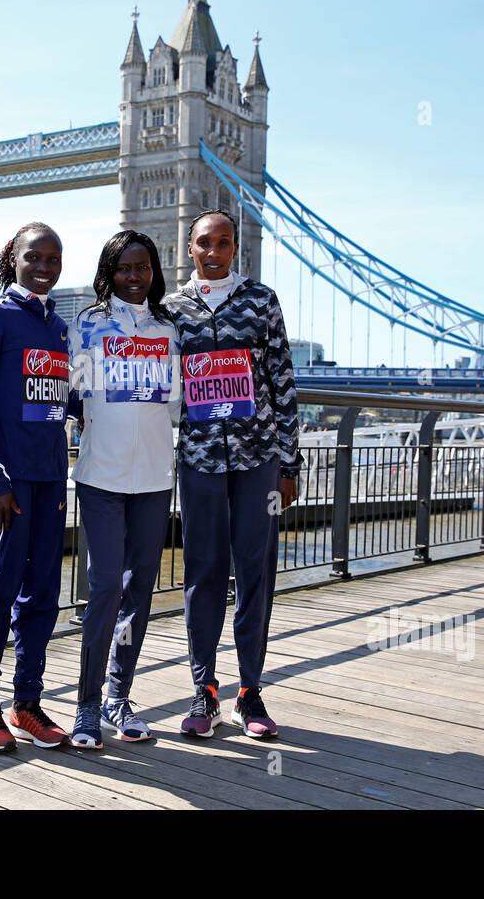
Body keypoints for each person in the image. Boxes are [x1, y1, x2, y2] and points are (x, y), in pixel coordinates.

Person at [163, 209, 301, 740]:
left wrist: (290, 462)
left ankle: (250, 691)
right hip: (198, 458)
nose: (214, 251)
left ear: (235, 248)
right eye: (204, 243)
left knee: (255, 575)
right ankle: (203, 689)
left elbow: (282, 382)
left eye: (224, 242)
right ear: (190, 248)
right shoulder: (172, 309)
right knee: (201, 575)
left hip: (258, 460)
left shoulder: (261, 301)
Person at [0, 221, 73, 753]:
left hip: (51, 477)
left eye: (53, 258)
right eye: (35, 257)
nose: (45, 267)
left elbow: (64, 397)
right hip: (6, 483)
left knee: (44, 594)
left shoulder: (59, 327)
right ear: (13, 259)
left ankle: (26, 702)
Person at [66, 230, 180, 749]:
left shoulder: (169, 330)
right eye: (123, 269)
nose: (134, 278)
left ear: (154, 272)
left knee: (139, 592)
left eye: (143, 268)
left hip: (156, 478)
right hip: (101, 478)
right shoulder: (87, 325)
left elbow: (180, 403)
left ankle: (119, 695)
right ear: (108, 273)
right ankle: (87, 706)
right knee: (106, 586)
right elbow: (70, 396)